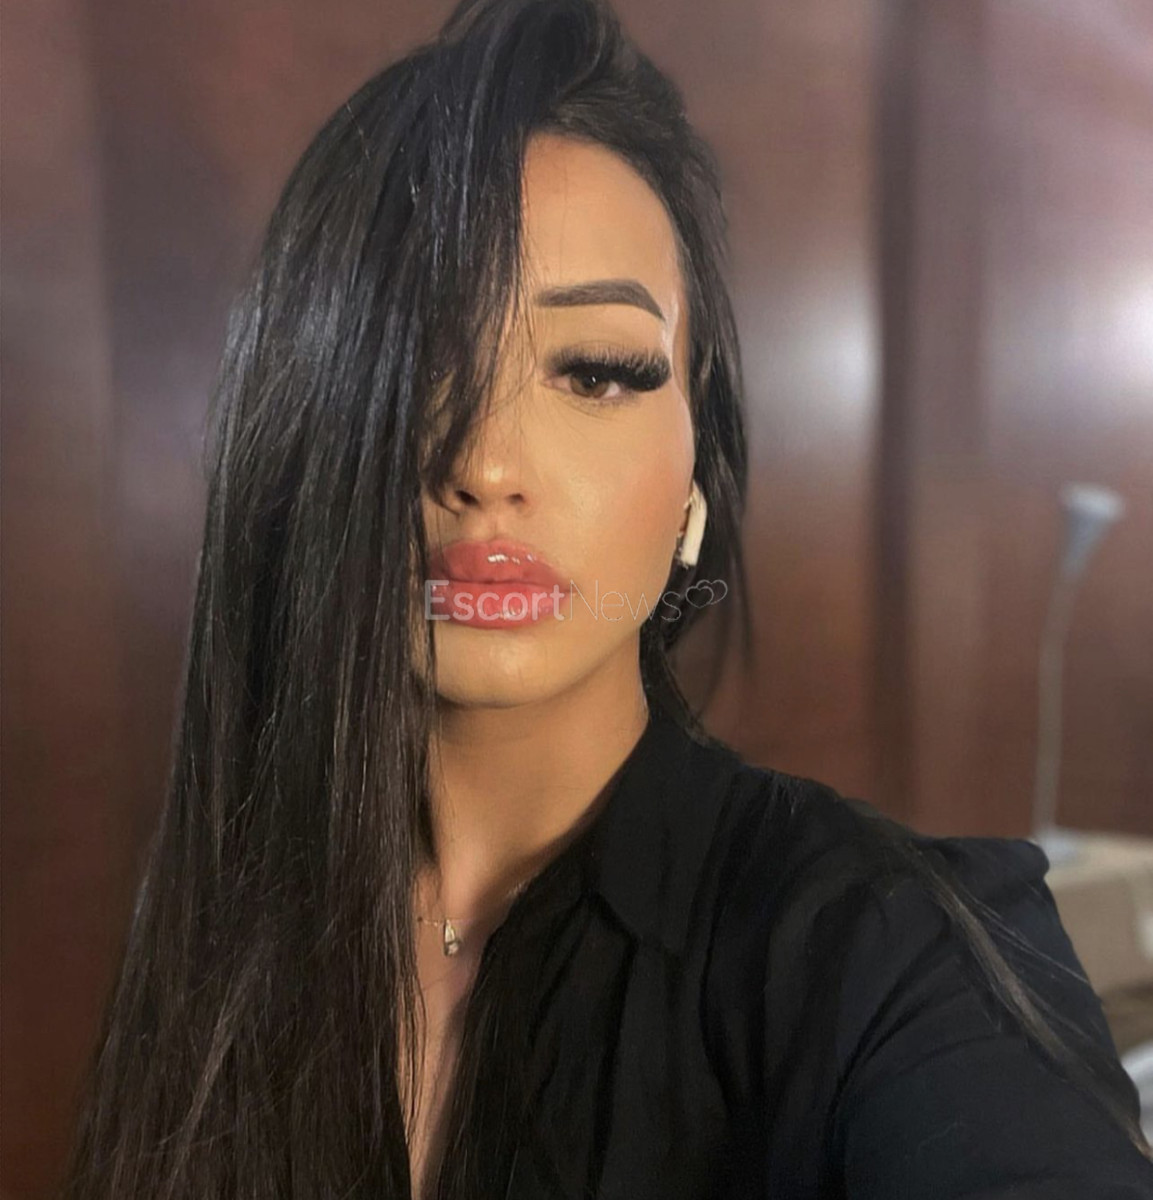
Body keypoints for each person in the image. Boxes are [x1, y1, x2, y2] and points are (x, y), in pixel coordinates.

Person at [62, 0, 1153, 1197]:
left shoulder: (896, 955)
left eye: (594, 372)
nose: (483, 463)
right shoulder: (231, 927)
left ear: (695, 471)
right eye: (410, 362)